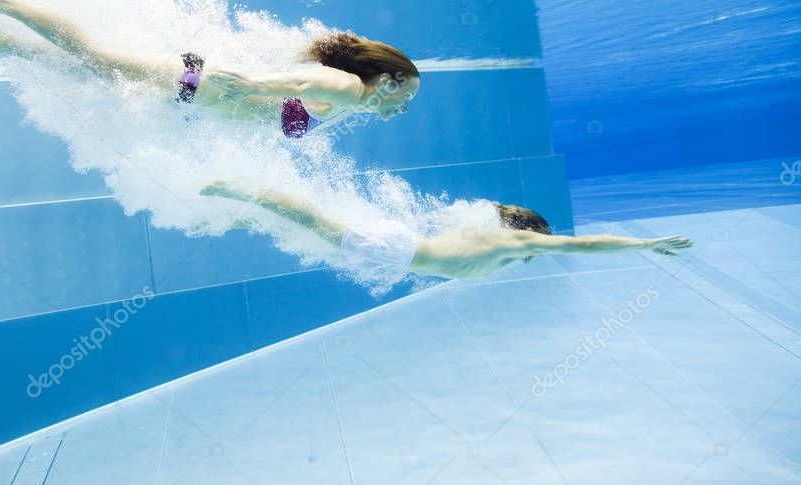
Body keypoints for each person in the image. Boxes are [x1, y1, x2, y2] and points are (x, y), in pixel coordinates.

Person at [0, 0, 420, 137]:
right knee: (89, 54)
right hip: (199, 83)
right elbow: (302, 84)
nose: (402, 109)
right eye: (406, 97)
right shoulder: (350, 89)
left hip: (192, 89)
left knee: (87, 67)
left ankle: (2, 41)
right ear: (390, 79)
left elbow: (298, 95)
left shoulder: (351, 104)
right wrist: (257, 87)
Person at [200, 181, 692, 281]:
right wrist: (645, 243)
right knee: (314, 221)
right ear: (530, 232)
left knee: (313, 232)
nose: (538, 252)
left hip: (396, 252)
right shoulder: (511, 241)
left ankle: (244, 210)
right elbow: (584, 244)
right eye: (539, 243)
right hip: (398, 249)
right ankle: (243, 187)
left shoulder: (490, 238)